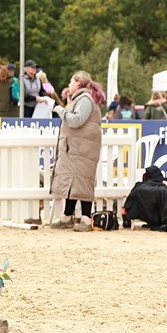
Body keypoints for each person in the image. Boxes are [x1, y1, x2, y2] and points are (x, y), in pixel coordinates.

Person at [48, 71, 106, 231]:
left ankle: (86, 219)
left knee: (82, 181)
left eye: (71, 81)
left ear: (78, 83)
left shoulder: (85, 99)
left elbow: (76, 120)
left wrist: (61, 111)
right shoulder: (83, 98)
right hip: (77, 147)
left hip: (81, 148)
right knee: (74, 181)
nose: (69, 84)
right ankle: (67, 215)